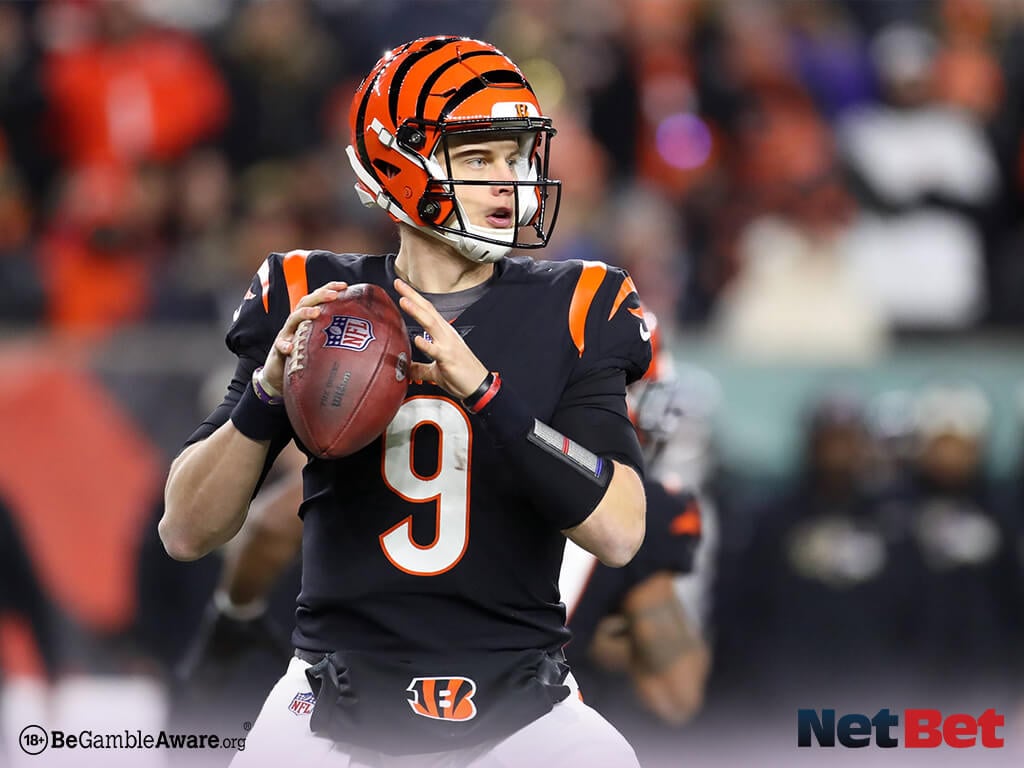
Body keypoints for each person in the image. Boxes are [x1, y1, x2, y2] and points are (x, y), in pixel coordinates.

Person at [160, 36, 650, 767]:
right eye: (479, 157)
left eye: (517, 156)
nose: (508, 181)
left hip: (524, 706)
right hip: (333, 701)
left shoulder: (579, 304)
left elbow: (619, 531)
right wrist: (267, 392)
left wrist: (487, 394)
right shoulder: (314, 296)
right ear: (400, 162)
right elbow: (185, 530)